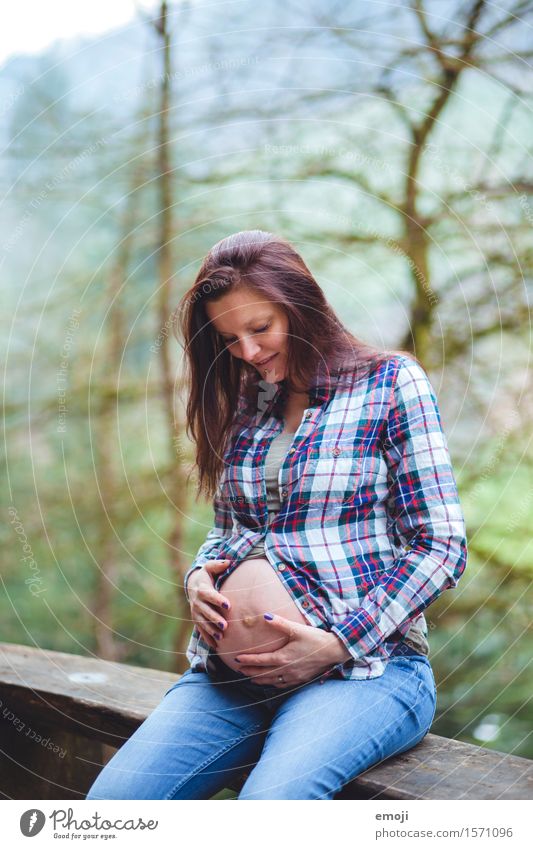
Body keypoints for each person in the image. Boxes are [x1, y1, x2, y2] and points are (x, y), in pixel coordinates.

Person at [86, 229, 467, 800]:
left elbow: (441, 545)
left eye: (260, 329)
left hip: (367, 671)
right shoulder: (247, 402)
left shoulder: (392, 384)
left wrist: (338, 641)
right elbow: (232, 532)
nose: (247, 352)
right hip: (230, 683)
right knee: (109, 811)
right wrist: (199, 577)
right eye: (230, 338)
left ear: (301, 304)